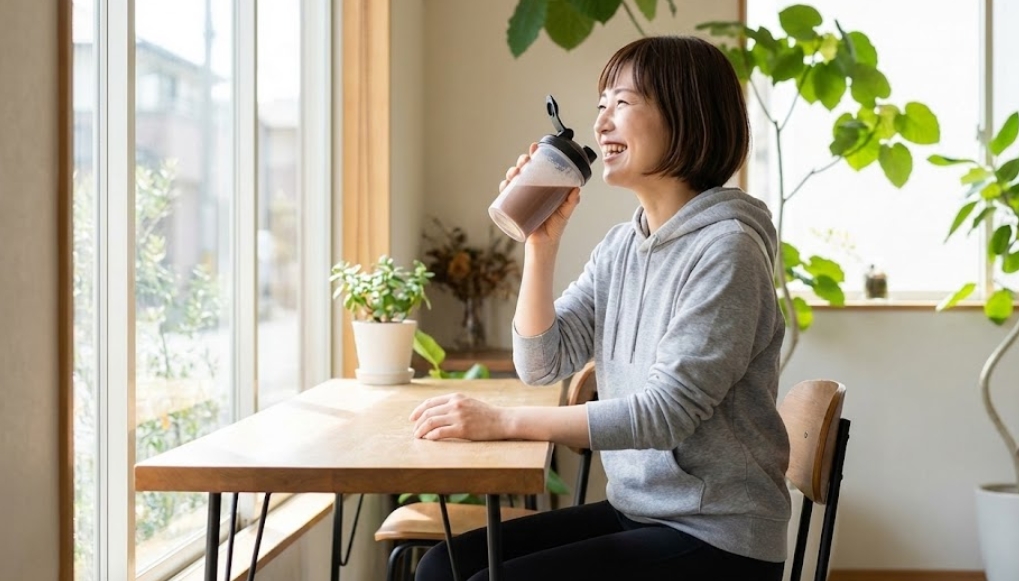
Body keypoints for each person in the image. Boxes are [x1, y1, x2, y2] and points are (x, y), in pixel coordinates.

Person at [409, 35, 790, 581]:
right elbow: (540, 363)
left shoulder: (728, 250)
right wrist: (540, 244)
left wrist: (502, 421)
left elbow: (664, 414)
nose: (601, 123)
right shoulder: (621, 248)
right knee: (441, 567)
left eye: (623, 103)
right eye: (601, 105)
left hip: (717, 537)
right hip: (640, 512)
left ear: (687, 116)